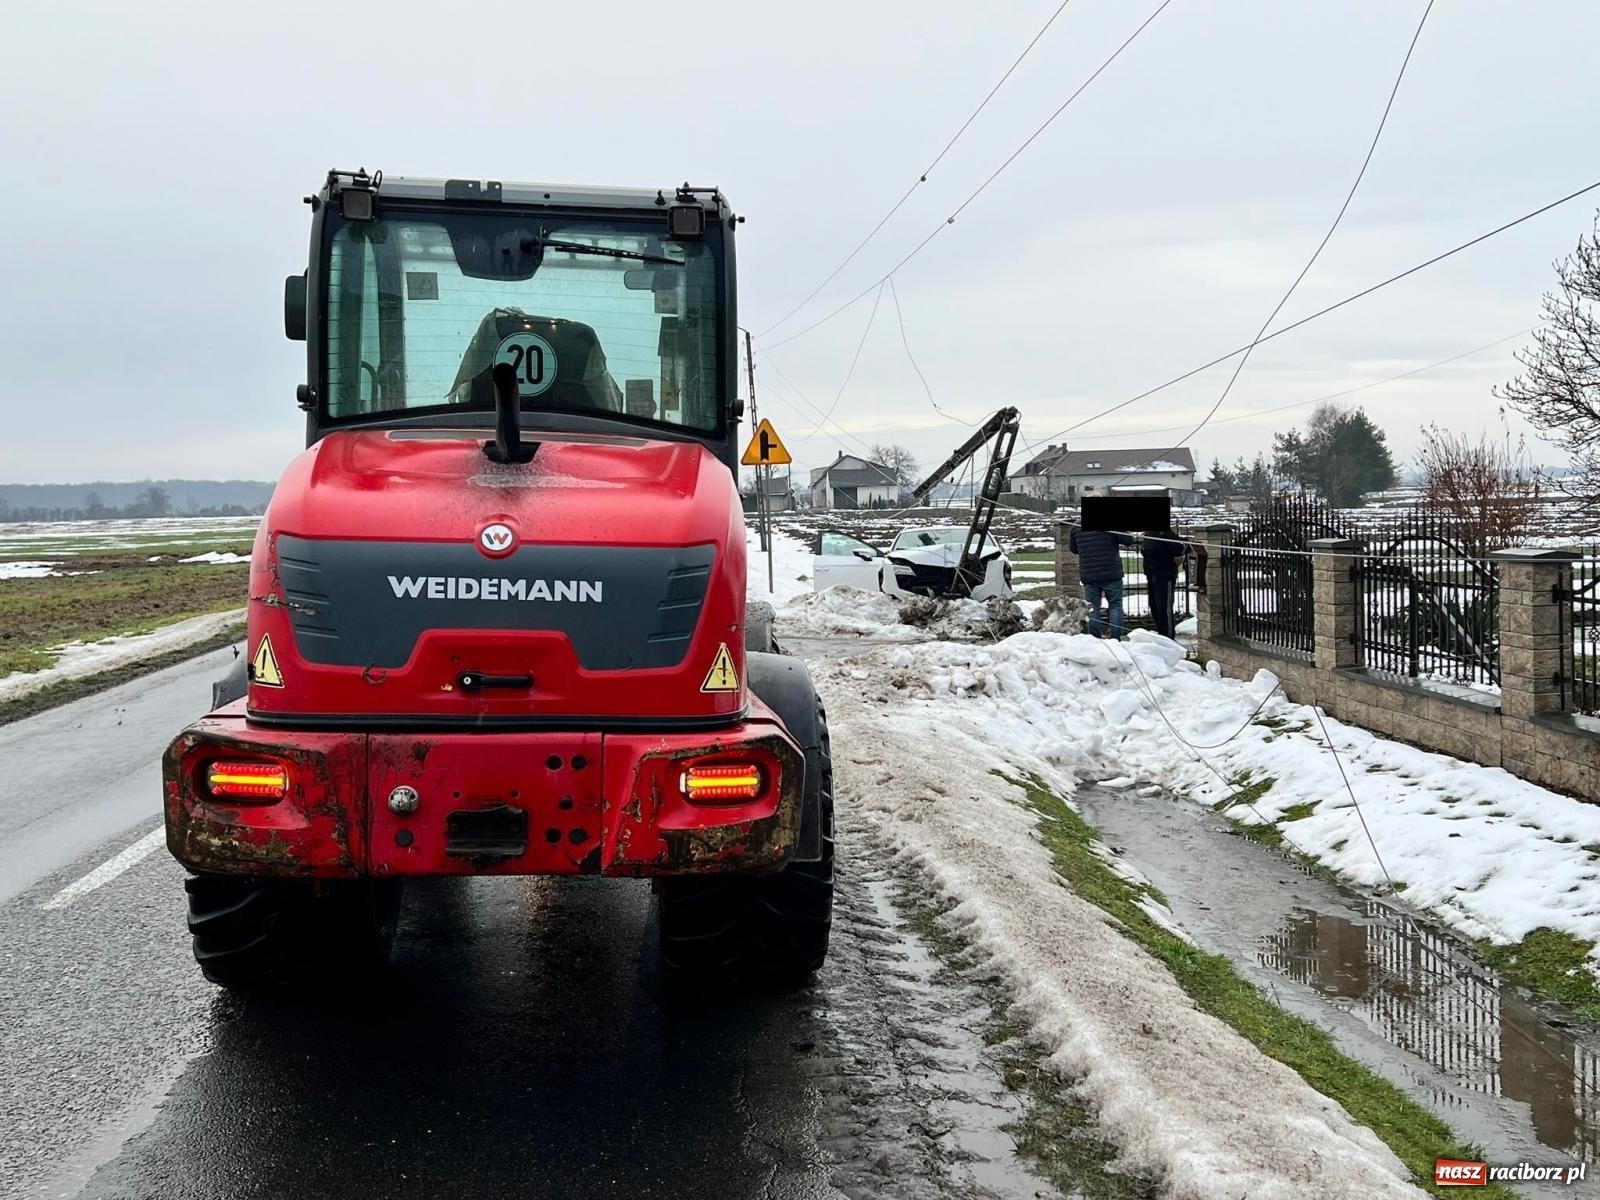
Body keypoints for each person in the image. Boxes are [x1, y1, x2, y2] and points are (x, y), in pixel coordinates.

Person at [1068, 524, 1133, 638]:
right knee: (1115, 606)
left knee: (1093, 607)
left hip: (1089, 574)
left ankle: (1095, 638)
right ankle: (1115, 638)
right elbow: (1128, 540)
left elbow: (1074, 549)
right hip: (1111, 573)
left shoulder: (1076, 527)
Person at [1141, 527, 1186, 638]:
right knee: (1154, 606)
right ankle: (1162, 634)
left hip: (1165, 575)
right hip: (1151, 574)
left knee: (1164, 608)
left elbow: (1179, 552)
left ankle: (1169, 637)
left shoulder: (1167, 534)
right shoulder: (1148, 533)